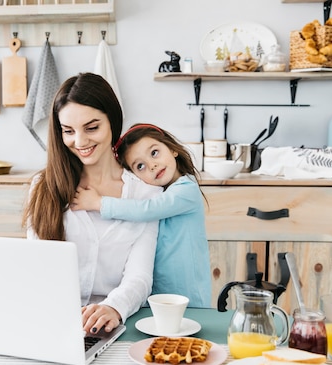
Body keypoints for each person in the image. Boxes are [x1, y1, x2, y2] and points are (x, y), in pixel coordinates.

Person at [23, 73, 161, 335]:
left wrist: (114, 307)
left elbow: (140, 277)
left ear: (112, 121)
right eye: (68, 131)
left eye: (92, 127)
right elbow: (36, 266)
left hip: (115, 326)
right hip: (52, 322)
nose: (80, 141)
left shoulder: (146, 195)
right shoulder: (44, 186)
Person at [72, 123, 212, 308]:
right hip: (157, 296)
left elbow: (147, 209)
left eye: (154, 153)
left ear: (172, 149)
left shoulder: (187, 190)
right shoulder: (158, 192)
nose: (152, 166)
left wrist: (98, 203)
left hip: (189, 295)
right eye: (140, 166)